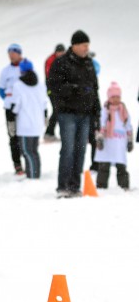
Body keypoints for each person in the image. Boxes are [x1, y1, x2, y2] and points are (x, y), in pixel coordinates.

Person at [47, 30, 100, 198]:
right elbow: (54, 87)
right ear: (75, 45)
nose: (86, 49)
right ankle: (63, 185)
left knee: (81, 150)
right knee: (68, 149)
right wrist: (75, 90)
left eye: (88, 46)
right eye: (84, 45)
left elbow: (94, 89)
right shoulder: (61, 63)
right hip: (67, 113)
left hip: (85, 114)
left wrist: (96, 112)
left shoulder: (89, 64)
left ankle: (75, 186)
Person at [10, 59, 48, 179]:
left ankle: (32, 176)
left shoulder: (18, 85)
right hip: (37, 123)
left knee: (26, 151)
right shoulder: (40, 85)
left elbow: (16, 106)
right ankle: (34, 173)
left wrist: (11, 116)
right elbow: (44, 104)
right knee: (34, 151)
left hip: (24, 124)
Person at [94, 82, 133, 190]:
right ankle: (101, 185)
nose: (116, 99)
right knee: (104, 165)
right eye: (113, 97)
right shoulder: (105, 110)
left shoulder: (123, 110)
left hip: (120, 142)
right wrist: (100, 138)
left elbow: (128, 126)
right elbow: (101, 125)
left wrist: (130, 140)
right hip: (107, 142)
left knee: (121, 165)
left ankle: (124, 185)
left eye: (118, 97)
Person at [0, 43, 25, 175]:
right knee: (13, 136)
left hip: (24, 109)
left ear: (19, 54)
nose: (11, 56)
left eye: (13, 53)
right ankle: (17, 164)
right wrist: (10, 101)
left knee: (25, 135)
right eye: (9, 54)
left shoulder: (25, 67)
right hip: (10, 109)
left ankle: (28, 160)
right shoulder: (5, 71)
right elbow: (1, 89)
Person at [44, 43, 66, 141]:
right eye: (59, 52)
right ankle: (49, 133)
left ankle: (51, 132)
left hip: (61, 90)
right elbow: (51, 77)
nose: (60, 54)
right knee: (57, 110)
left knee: (59, 110)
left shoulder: (65, 59)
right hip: (52, 90)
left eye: (62, 52)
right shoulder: (50, 60)